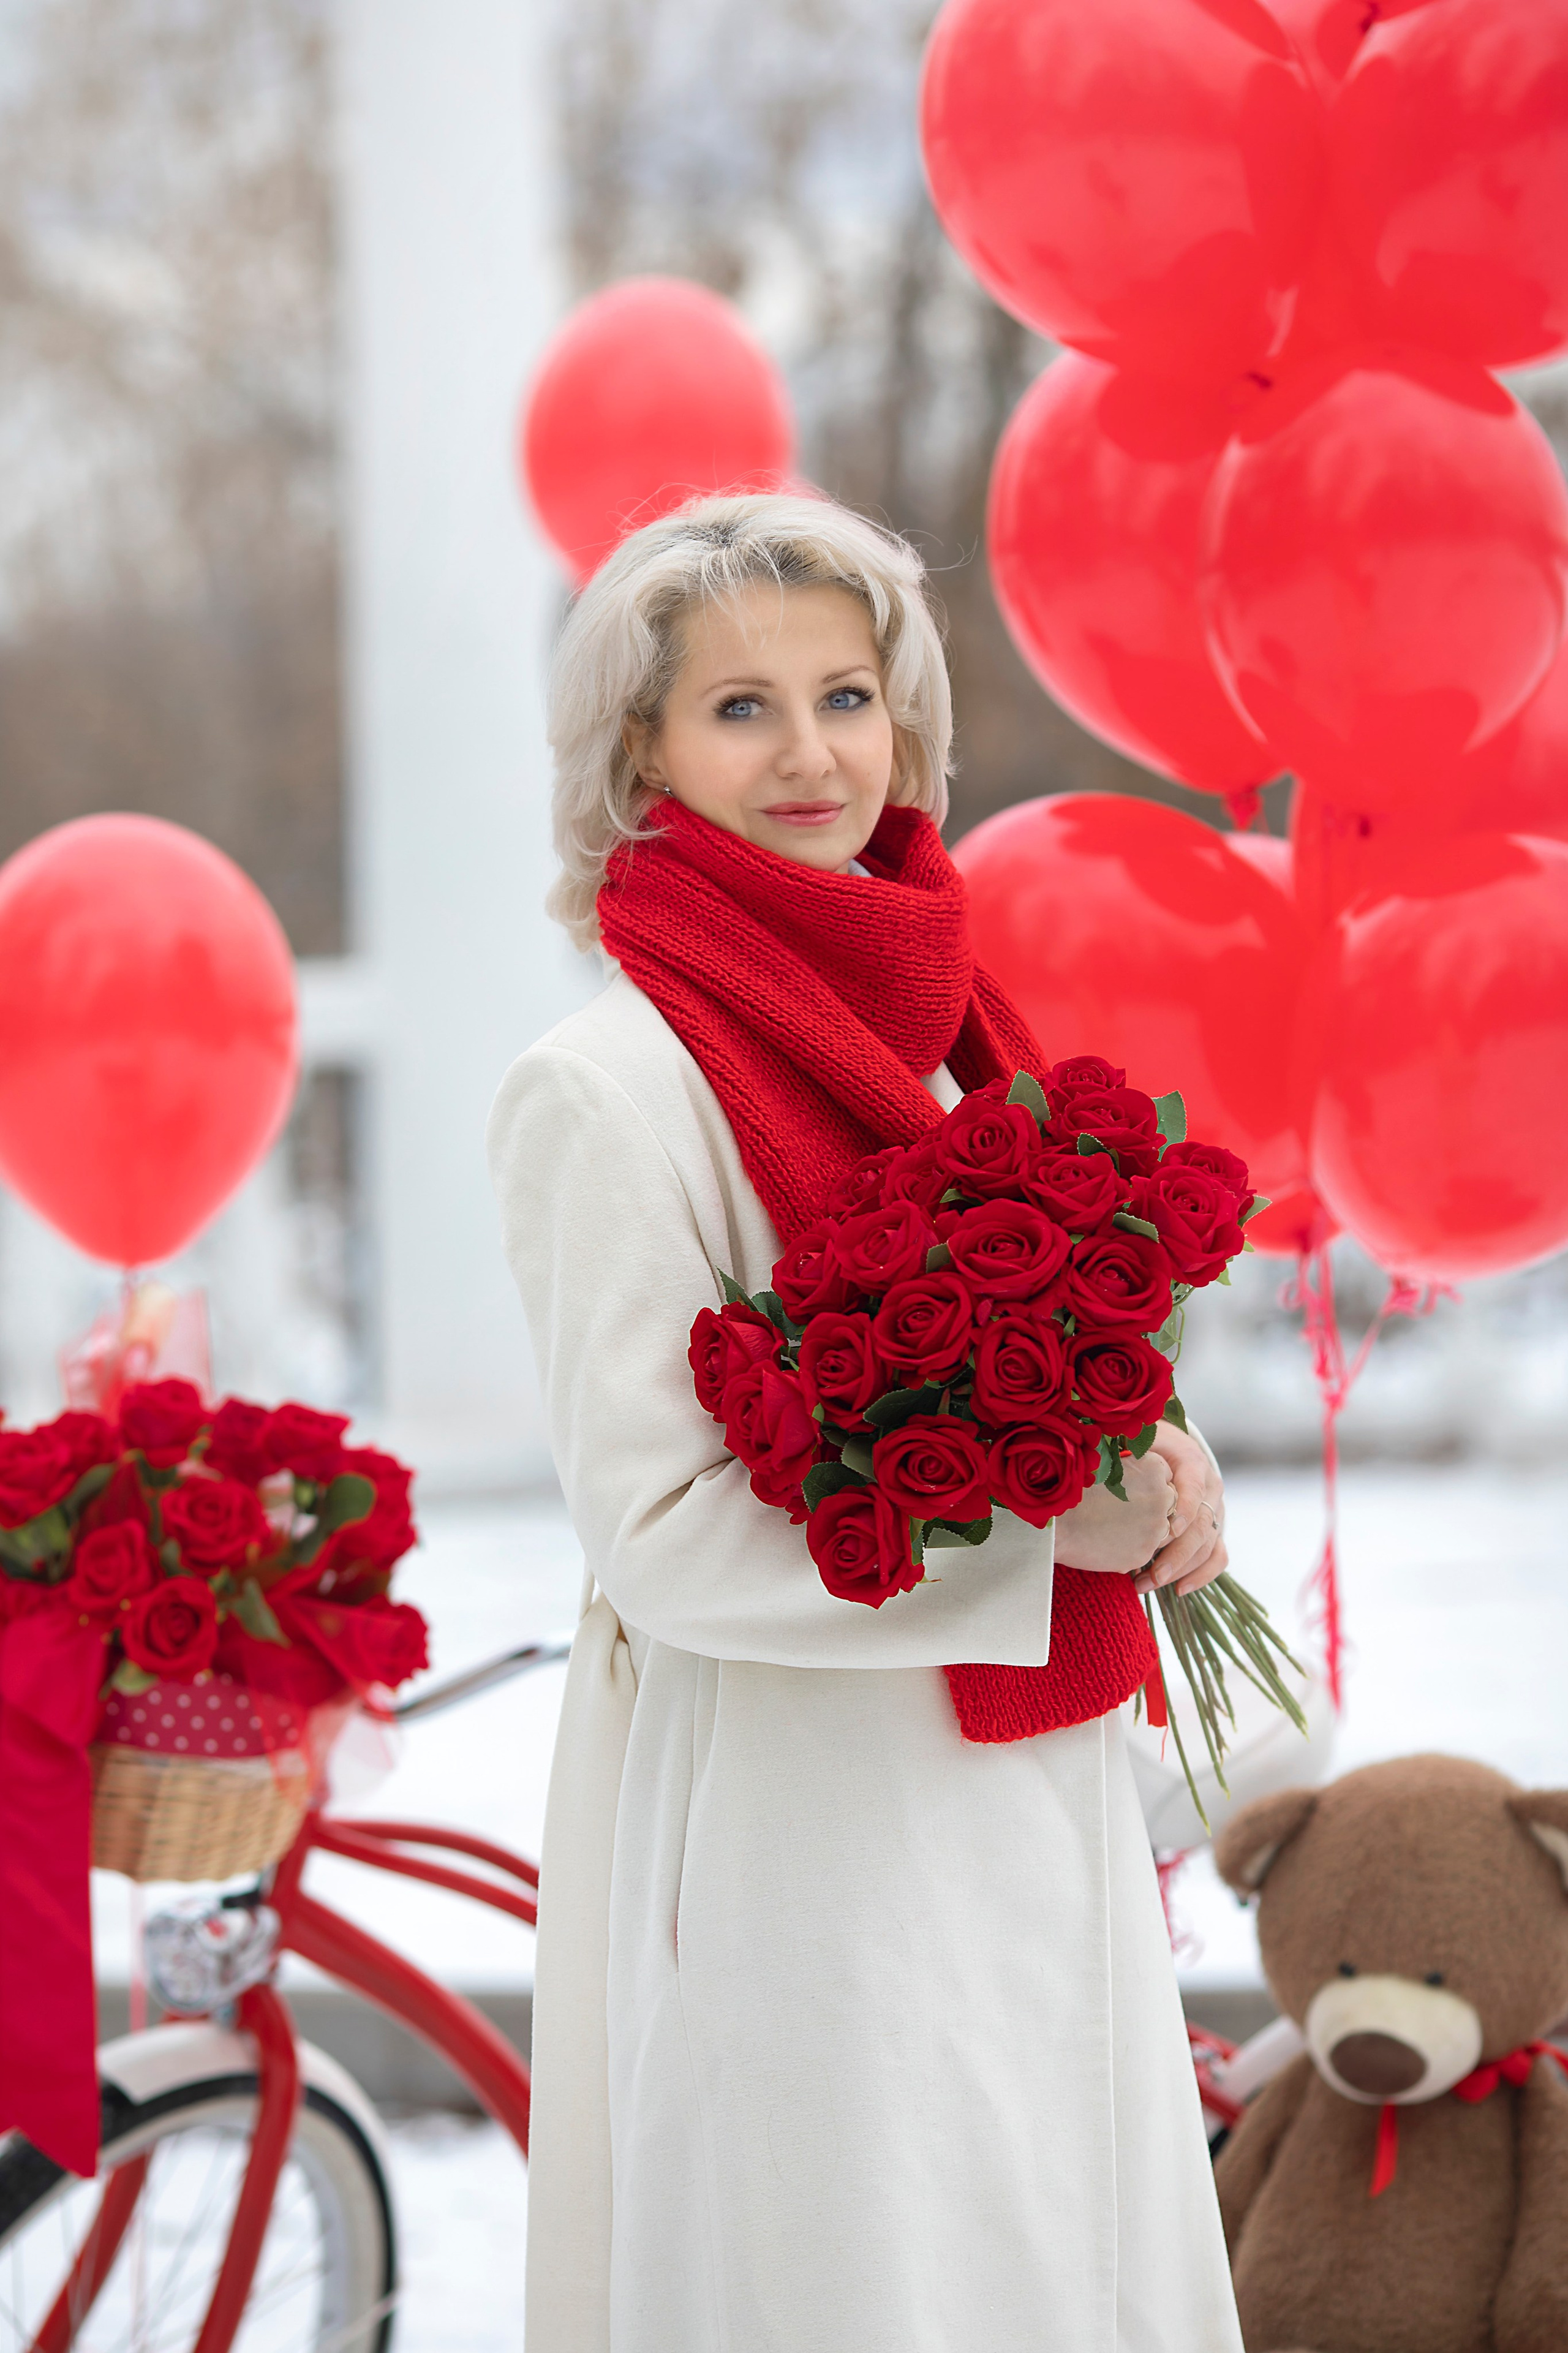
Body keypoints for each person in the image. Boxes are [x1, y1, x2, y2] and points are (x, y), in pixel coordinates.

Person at [487, 491, 1242, 2353]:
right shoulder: (606, 1088)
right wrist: (1037, 1530)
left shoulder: (953, 1030)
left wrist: (1159, 1459)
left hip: (1024, 1795)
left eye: (845, 695)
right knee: (862, 2280)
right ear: (642, 753)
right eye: (740, 708)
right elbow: (659, 1532)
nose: (811, 753)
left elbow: (1061, 1356)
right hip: (804, 1827)